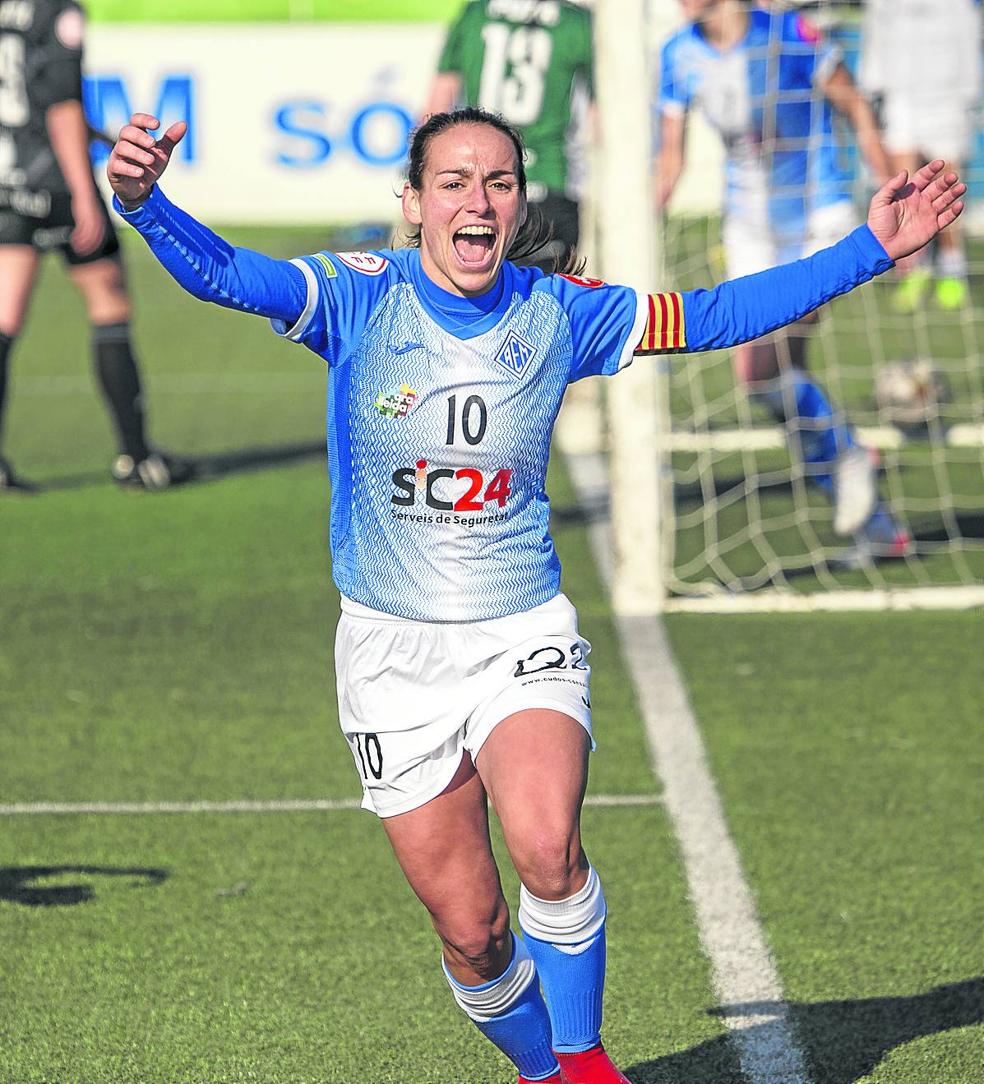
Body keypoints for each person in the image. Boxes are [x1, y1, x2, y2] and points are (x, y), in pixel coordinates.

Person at [106, 104, 962, 1083]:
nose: (478, 200)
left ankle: (584, 1061)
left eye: (499, 182)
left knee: (549, 848)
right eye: (454, 182)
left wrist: (869, 249)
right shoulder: (356, 297)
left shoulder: (561, 312)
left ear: (517, 205)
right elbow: (225, 273)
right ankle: (543, 1072)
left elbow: (718, 313)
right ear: (414, 203)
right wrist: (143, 201)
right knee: (472, 930)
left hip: (520, 630)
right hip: (390, 653)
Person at [656, 0, 908, 556]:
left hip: (817, 214)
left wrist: (893, 189)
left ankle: (850, 456)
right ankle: (878, 528)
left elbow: (854, 105)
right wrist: (638, 229)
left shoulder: (788, 33)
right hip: (750, 228)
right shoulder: (678, 53)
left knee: (763, 367)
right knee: (775, 381)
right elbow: (670, 157)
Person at [0, 0, 188, 491]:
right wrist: (85, 194)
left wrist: (102, 137)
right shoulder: (57, 10)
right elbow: (61, 105)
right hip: (57, 182)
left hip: (9, 182)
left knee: (4, 322)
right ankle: (137, 459)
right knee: (110, 305)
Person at [425, 0, 594, 272]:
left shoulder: (475, 14)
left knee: (474, 289)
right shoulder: (577, 22)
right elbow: (601, 119)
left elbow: (435, 109)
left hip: (478, 188)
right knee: (544, 293)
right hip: (551, 180)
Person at [859, 0, 982, 311]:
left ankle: (952, 268)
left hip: (947, 94)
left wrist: (970, 91)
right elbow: (876, 32)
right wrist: (874, 87)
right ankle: (916, 267)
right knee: (907, 186)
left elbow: (969, 32)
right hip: (902, 94)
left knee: (947, 187)